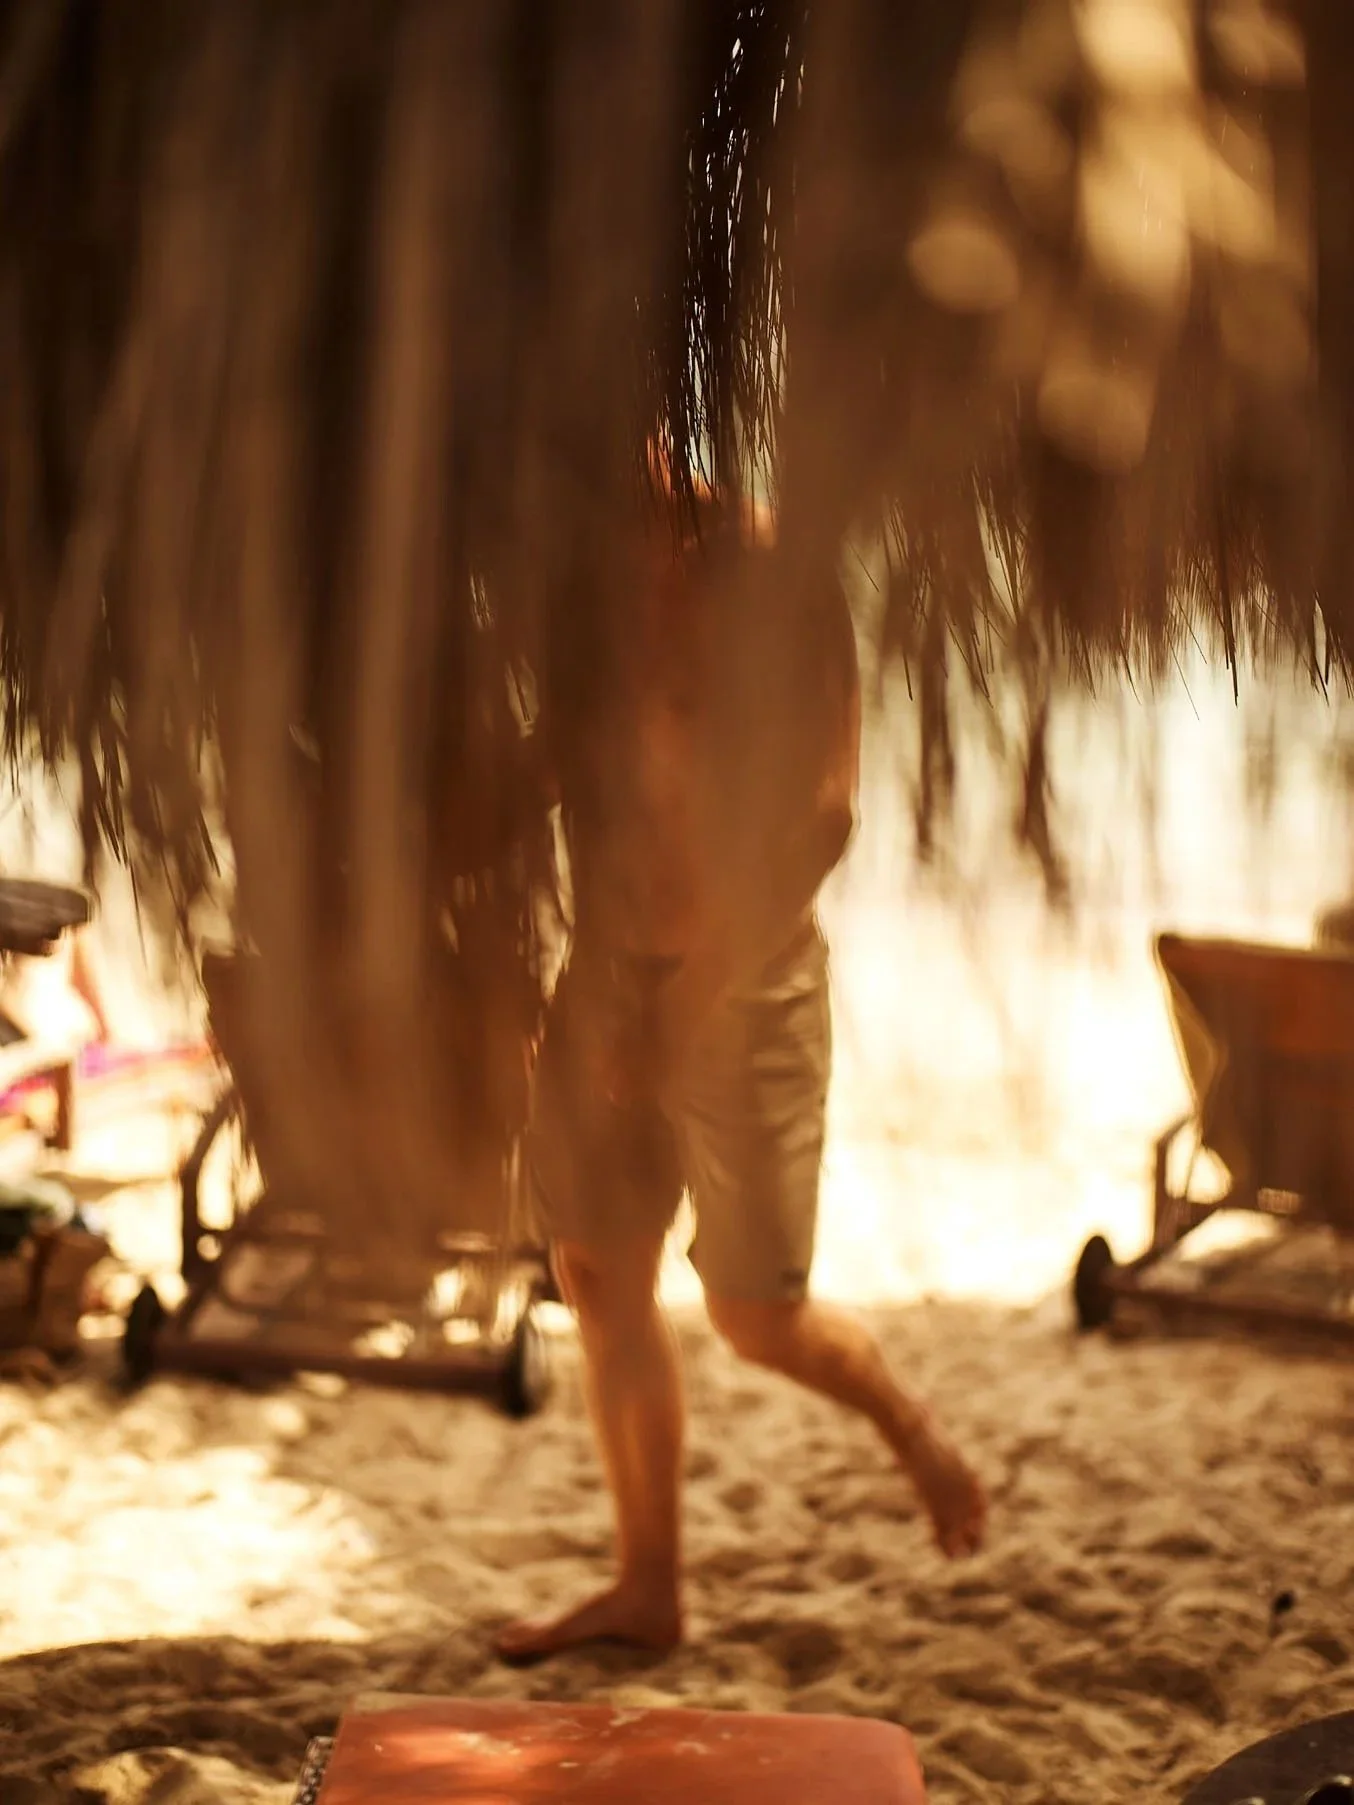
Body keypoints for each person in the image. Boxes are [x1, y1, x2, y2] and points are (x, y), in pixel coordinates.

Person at [497, 489, 987, 1663]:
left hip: (749, 990)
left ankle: (908, 1425)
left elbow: (820, 817)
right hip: (604, 970)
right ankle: (647, 1587)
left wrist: (682, 1009)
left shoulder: (768, 563)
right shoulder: (572, 574)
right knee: (598, 1274)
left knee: (754, 1319)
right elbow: (554, 770)